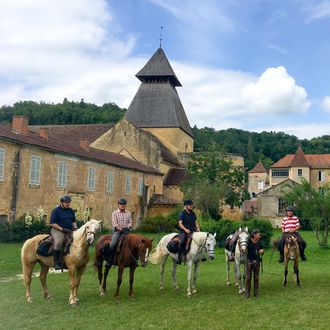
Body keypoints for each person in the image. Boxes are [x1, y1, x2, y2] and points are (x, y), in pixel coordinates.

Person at [50, 195, 77, 270]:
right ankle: (57, 263)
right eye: (66, 202)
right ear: (61, 202)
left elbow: (73, 221)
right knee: (58, 242)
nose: (68, 204)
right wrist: (62, 229)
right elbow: (52, 223)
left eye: (69, 202)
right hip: (58, 230)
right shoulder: (56, 211)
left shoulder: (71, 210)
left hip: (69, 230)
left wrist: (75, 228)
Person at [105, 198, 132, 268]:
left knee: (134, 243)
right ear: (118, 205)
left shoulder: (128, 213)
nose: (122, 205)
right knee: (113, 244)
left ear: (125, 205)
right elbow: (115, 224)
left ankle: (133, 260)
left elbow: (130, 221)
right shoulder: (114, 213)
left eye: (123, 204)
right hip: (118, 231)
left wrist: (128, 227)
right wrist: (121, 229)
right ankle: (109, 260)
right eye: (121, 204)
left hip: (127, 231)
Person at [176, 199, 200, 265]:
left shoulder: (193, 213)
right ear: (186, 206)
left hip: (192, 231)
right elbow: (180, 224)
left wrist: (198, 228)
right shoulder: (182, 214)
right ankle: (179, 258)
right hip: (184, 231)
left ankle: (201, 256)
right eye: (190, 205)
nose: (191, 206)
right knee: (182, 241)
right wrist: (185, 229)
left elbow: (196, 222)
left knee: (200, 240)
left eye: (191, 205)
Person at [245, 229, 264, 299]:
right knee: (248, 278)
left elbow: (262, 250)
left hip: (257, 262)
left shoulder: (259, 243)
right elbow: (244, 250)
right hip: (249, 261)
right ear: (254, 235)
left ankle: (256, 292)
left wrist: (262, 251)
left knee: (256, 278)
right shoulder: (248, 242)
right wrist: (239, 244)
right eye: (258, 235)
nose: (260, 236)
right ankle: (247, 293)